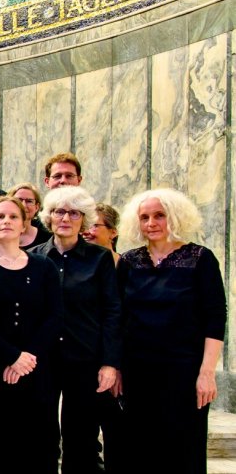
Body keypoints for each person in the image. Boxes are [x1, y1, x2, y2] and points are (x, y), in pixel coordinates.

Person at [114, 188, 226, 474]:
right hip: (138, 373)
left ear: (175, 217)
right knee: (141, 452)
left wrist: (207, 372)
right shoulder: (128, 262)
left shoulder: (200, 259)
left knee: (184, 450)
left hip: (184, 373)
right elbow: (117, 318)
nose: (151, 223)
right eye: (145, 217)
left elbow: (215, 318)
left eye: (159, 215)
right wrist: (117, 368)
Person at [0, 196, 63, 474]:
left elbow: (55, 316)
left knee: (35, 447)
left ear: (24, 225)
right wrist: (11, 356)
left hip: (35, 371)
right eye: (0, 216)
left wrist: (27, 358)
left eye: (13, 217)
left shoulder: (44, 266)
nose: (6, 221)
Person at [33, 187, 121, 473]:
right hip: (43, 360)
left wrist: (110, 362)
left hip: (85, 358)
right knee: (42, 435)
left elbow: (112, 311)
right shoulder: (34, 257)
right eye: (59, 211)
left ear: (84, 219)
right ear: (49, 216)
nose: (65, 218)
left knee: (81, 437)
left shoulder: (100, 258)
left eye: (74, 213)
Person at [7, 183, 51, 250]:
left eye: (29, 201)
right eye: (19, 200)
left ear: (37, 207)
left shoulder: (47, 238)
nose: (23, 205)